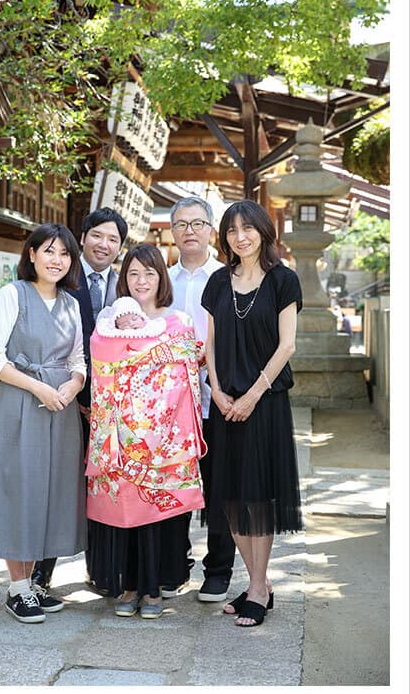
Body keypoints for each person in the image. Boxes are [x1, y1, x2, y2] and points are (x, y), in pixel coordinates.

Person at [0, 223, 88, 623]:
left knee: (49, 491)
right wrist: (39, 388)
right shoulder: (13, 294)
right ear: (31, 254)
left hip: (59, 407)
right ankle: (18, 587)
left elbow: (78, 358)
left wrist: (74, 384)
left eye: (65, 253)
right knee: (18, 489)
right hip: (19, 403)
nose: (57, 260)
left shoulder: (70, 304)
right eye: (49, 251)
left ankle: (32, 584)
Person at [86, 243, 207, 619]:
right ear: (124, 278)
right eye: (133, 273)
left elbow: (185, 372)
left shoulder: (178, 321)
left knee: (157, 515)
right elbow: (102, 360)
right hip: (120, 435)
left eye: (149, 273)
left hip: (164, 435)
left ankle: (154, 588)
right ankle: (130, 585)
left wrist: (154, 420)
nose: (141, 281)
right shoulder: (109, 320)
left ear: (161, 278)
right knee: (125, 512)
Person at [202, 200, 303, 627]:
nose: (240, 236)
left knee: (258, 499)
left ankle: (258, 587)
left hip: (265, 404)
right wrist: (216, 390)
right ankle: (258, 583)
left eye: (248, 228)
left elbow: (287, 345)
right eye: (231, 230)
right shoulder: (217, 281)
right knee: (230, 498)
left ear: (264, 231)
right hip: (225, 404)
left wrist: (252, 395)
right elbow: (208, 343)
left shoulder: (284, 280)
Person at [31, 208, 128, 595]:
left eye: (113, 239)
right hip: (65, 398)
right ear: (83, 237)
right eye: (98, 236)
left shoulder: (126, 285)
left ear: (120, 247)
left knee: (106, 486)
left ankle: (101, 570)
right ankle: (41, 571)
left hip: (112, 408)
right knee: (57, 484)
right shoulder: (61, 279)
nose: (104, 245)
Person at [166, 196, 237, 603]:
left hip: (218, 399)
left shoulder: (229, 278)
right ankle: (175, 564)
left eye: (197, 223)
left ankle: (219, 570)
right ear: (172, 232)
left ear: (212, 230)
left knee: (219, 486)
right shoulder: (161, 280)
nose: (189, 231)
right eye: (180, 224)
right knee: (173, 484)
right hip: (170, 407)